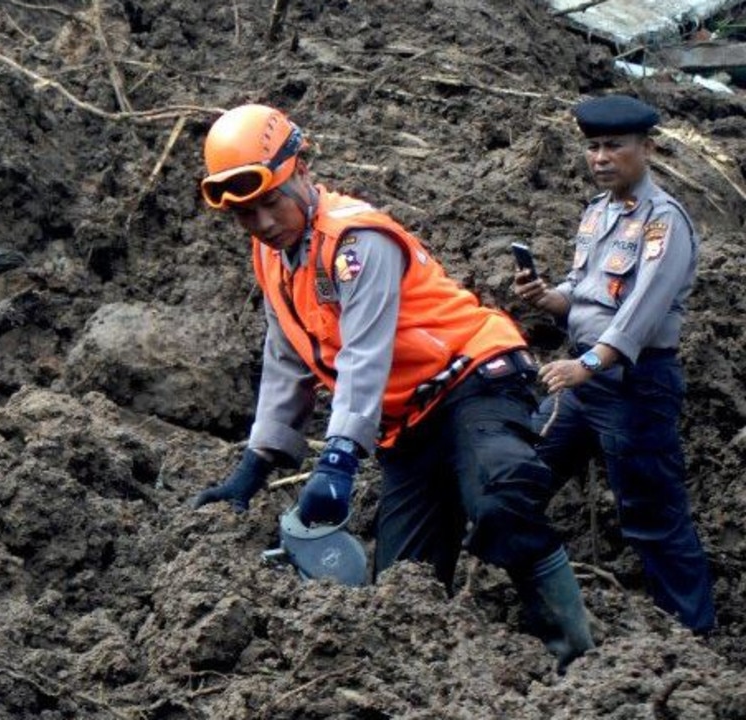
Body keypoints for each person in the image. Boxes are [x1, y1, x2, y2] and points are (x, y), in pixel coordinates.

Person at [189, 103, 594, 671]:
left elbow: (364, 355)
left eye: (269, 202)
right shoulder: (273, 256)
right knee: (403, 588)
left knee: (501, 499)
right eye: (243, 214)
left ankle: (578, 660)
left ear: (301, 169)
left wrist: (337, 460)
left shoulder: (356, 240)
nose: (259, 223)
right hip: (409, 426)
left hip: (473, 379)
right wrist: (252, 467)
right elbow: (286, 358)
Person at [512, 95, 715, 635]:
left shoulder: (663, 222)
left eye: (614, 146)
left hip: (633, 385)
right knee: (524, 477)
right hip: (583, 383)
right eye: (593, 147)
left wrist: (587, 365)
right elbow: (584, 295)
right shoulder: (598, 212)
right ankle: (526, 600)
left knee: (651, 518)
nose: (601, 157)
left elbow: (640, 315)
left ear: (646, 150)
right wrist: (544, 296)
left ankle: (692, 636)